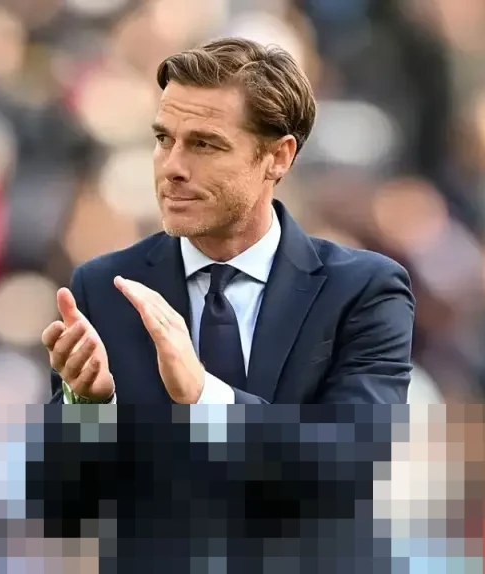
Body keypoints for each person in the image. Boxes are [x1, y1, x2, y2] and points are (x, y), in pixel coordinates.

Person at [40, 37, 416, 405]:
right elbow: (70, 449)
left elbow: (358, 442)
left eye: (204, 144)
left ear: (278, 157)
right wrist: (91, 407)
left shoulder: (362, 291)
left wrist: (205, 396)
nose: (172, 167)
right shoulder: (103, 288)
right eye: (164, 139)